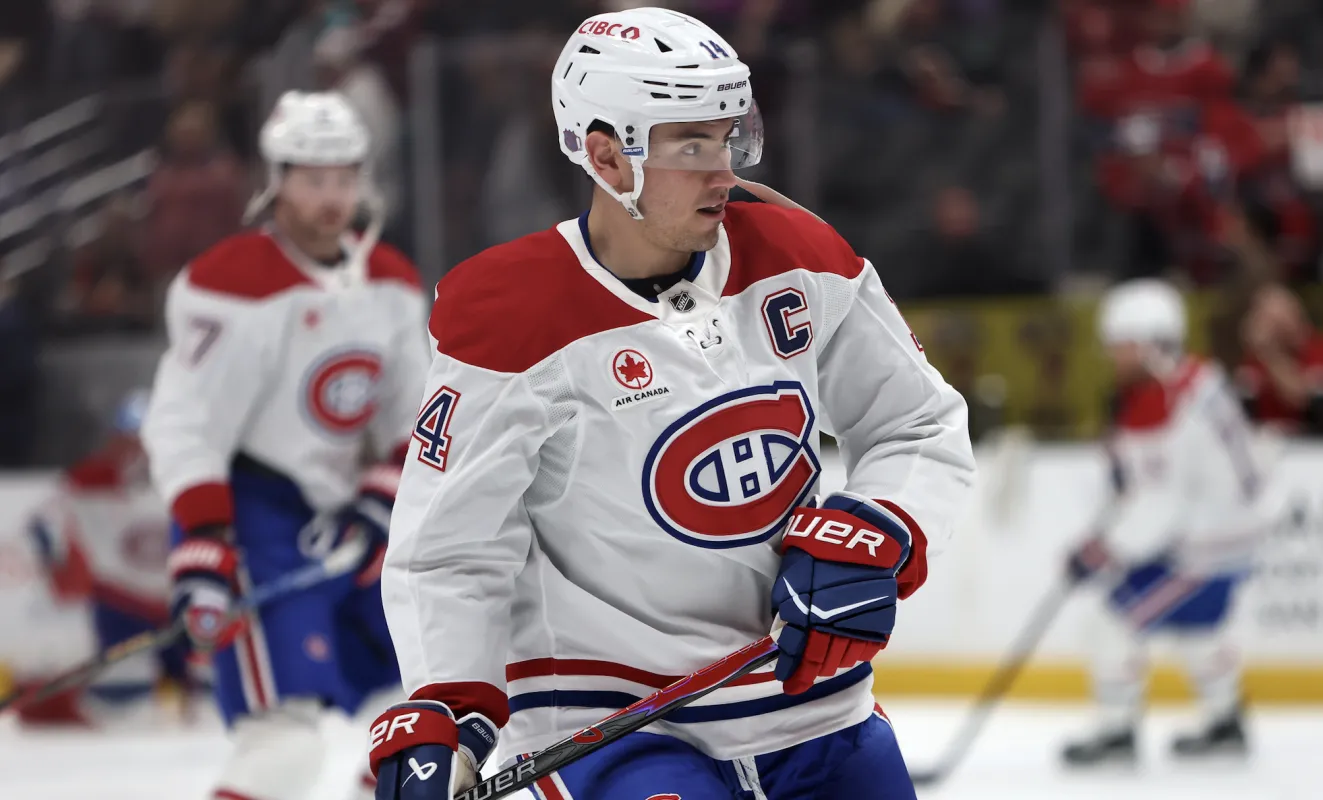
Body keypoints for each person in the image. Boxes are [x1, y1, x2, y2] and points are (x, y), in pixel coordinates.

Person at [367, 8, 975, 800]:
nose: (723, 171)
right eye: (690, 146)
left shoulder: (797, 256)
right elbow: (452, 545)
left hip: (813, 711)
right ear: (605, 156)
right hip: (613, 726)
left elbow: (916, 422)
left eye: (728, 138)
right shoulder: (513, 318)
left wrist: (877, 526)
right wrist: (449, 707)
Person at [141, 91, 430, 800]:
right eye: (313, 179)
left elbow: (421, 418)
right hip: (254, 522)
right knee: (285, 744)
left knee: (428, 709)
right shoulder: (233, 283)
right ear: (277, 181)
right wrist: (203, 544)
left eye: (344, 178)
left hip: (350, 519)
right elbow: (186, 423)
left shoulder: (391, 282)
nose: (331, 197)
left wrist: (379, 501)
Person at [1062, 279, 1265, 766]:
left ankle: (1116, 732)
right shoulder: (1197, 382)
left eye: (1121, 345)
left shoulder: (1167, 400)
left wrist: (1103, 549)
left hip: (1204, 549)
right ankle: (1226, 721)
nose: (1113, 356)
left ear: (1150, 343)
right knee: (1197, 628)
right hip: (1226, 538)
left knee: (1112, 619)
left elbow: (1160, 502)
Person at [19, 389, 187, 727]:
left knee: (216, 700)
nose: (141, 448)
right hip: (122, 605)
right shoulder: (89, 481)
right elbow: (42, 524)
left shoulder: (190, 476)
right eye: (133, 437)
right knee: (120, 706)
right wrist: (56, 562)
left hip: (183, 601)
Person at [1236, 282, 1323, 435]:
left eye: (1273, 320)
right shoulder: (1257, 358)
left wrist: (1269, 353)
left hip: (1309, 442)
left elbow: (1300, 399)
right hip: (1267, 440)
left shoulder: (1317, 350)